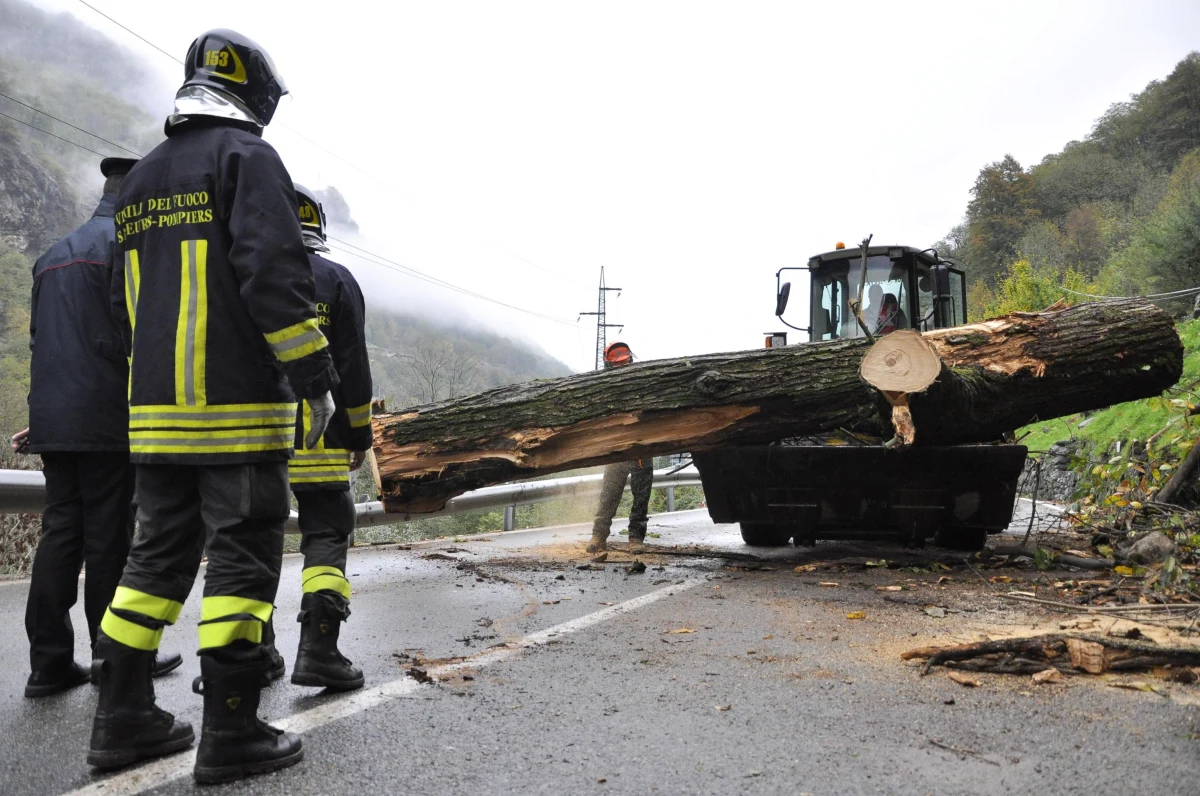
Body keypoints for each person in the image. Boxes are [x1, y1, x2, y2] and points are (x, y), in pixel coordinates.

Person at [90, 29, 339, 784]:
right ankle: (231, 731)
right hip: (234, 412)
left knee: (152, 561)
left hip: (155, 418)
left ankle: (122, 716)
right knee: (242, 554)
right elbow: (273, 276)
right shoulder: (247, 159)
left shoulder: (139, 182)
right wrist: (314, 377)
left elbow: (118, 308)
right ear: (253, 93)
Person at [19, 157, 181, 698]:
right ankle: (115, 660)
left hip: (55, 419)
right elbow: (144, 338)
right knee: (109, 539)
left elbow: (46, 347)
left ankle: (48, 665)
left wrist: (42, 417)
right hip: (109, 419)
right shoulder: (130, 248)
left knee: (60, 533)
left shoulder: (50, 258)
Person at [280, 184, 373, 692]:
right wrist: (360, 433)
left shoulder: (238, 276)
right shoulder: (336, 281)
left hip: (254, 436)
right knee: (327, 532)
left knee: (247, 542)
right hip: (321, 439)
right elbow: (353, 367)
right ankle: (318, 649)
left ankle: (250, 654)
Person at [586, 342, 655, 555]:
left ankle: (636, 537)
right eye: (617, 365)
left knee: (641, 497)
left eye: (624, 363)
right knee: (609, 494)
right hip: (616, 450)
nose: (622, 368)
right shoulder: (603, 388)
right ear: (609, 365)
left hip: (641, 448)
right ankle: (599, 536)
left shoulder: (642, 383)